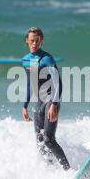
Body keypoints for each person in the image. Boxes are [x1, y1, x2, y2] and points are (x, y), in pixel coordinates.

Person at [21, 27, 70, 170]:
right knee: (40, 141)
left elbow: (58, 83)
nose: (34, 44)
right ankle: (50, 170)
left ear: (41, 41)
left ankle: (68, 170)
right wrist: (25, 105)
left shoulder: (47, 59)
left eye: (37, 41)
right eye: (32, 41)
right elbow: (31, 83)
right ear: (27, 41)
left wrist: (54, 104)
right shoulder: (25, 60)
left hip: (50, 101)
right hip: (38, 102)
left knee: (49, 139)